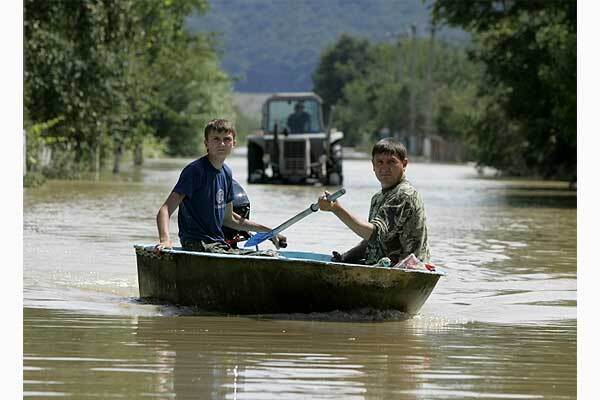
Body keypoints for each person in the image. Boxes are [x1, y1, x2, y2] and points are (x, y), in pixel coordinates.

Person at [155, 118, 285, 254]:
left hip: (218, 244)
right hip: (197, 243)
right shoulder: (195, 171)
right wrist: (165, 239)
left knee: (271, 254)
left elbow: (230, 219)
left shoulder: (226, 172)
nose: (221, 144)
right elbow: (165, 210)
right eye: (216, 139)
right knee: (263, 257)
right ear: (206, 143)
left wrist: (269, 232)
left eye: (227, 139)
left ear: (234, 144)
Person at [318, 138, 430, 265]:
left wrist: (336, 209)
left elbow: (373, 233)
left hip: (408, 270)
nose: (384, 168)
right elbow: (373, 241)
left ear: (404, 164)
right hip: (383, 267)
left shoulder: (404, 194)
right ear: (373, 165)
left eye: (391, 162)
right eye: (380, 162)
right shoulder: (378, 197)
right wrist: (345, 257)